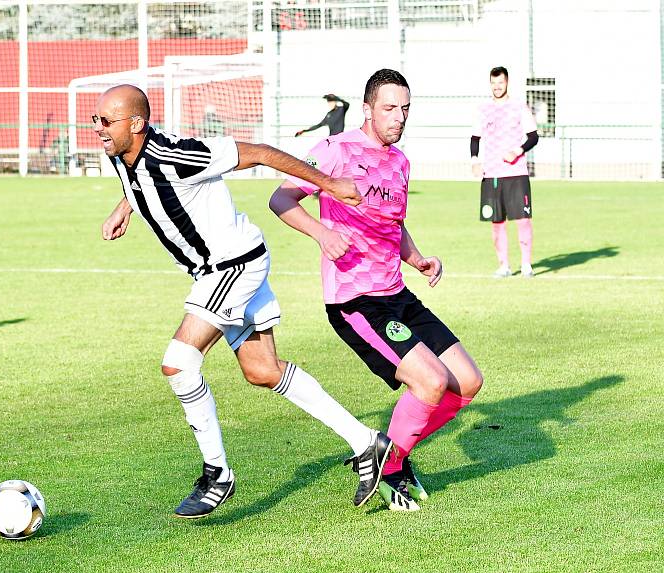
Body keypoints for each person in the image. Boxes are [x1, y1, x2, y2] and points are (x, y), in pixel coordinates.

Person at [94, 84, 393, 519]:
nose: (97, 129)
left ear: (136, 124)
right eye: (96, 119)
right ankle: (367, 442)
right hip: (224, 267)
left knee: (178, 363)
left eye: (106, 121)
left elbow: (259, 152)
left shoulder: (177, 153)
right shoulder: (121, 154)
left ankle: (217, 474)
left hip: (232, 266)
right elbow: (139, 180)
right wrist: (126, 207)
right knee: (263, 370)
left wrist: (328, 183)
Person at [270, 69, 483, 512]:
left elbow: (393, 224)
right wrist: (322, 234)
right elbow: (281, 200)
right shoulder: (333, 151)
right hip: (356, 301)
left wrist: (418, 258)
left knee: (466, 383)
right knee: (430, 381)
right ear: (367, 109)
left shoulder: (400, 162)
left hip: (397, 292)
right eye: (389, 108)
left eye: (405, 109)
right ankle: (391, 467)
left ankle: (392, 456)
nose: (399, 117)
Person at [471, 66, 539, 278]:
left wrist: (518, 151)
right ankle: (504, 266)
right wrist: (475, 160)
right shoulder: (483, 109)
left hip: (516, 173)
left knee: (523, 220)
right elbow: (475, 138)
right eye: (493, 83)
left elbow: (533, 136)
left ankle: (526, 264)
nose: (497, 86)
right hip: (492, 175)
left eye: (500, 83)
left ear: (507, 82)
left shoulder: (519, 106)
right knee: (496, 222)